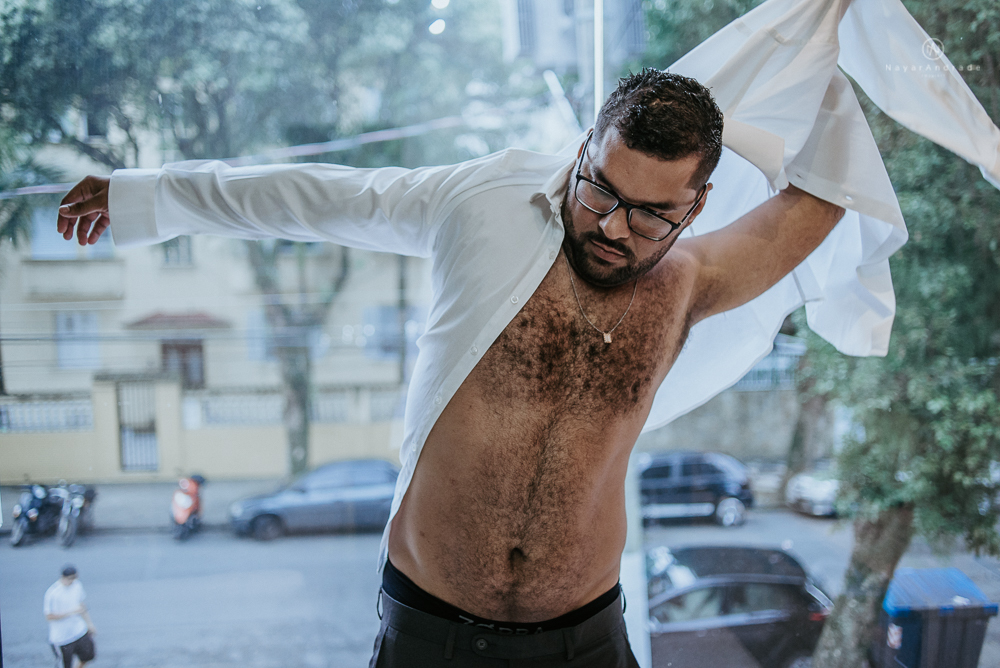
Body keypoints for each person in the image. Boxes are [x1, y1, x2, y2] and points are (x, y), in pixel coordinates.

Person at [56, 70, 843, 666]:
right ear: (581, 154)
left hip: (586, 639)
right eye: (599, 189)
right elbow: (318, 197)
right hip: (428, 630)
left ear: (696, 206)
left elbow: (825, 196)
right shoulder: (485, 201)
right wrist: (145, 195)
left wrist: (819, 48)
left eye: (649, 214)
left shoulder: (688, 282)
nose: (611, 225)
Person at [43, 565, 96, 668]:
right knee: (65, 665)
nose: (72, 581)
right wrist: (71, 612)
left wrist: (89, 624)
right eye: (70, 579)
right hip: (62, 638)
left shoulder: (77, 585)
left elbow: (81, 605)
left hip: (79, 631)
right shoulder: (53, 593)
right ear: (63, 577)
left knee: (88, 655)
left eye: (74, 578)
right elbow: (49, 616)